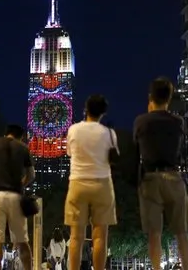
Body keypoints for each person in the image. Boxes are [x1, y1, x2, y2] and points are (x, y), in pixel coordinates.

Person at [133, 77, 188, 270]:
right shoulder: (177, 122)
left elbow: (136, 149)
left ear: (150, 97)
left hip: (150, 179)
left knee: (154, 233)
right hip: (173, 177)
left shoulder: (141, 121)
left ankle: (157, 268)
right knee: (181, 231)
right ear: (169, 98)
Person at [64, 95, 117, 270]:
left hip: (78, 183)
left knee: (76, 236)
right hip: (102, 183)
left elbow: (70, 153)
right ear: (103, 112)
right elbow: (113, 158)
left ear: (85, 109)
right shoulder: (109, 133)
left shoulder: (73, 130)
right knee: (100, 236)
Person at [0, 124, 35, 270]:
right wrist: (20, 183)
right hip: (16, 196)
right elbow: (31, 175)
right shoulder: (23, 148)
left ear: (6, 134)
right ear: (20, 137)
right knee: (22, 241)